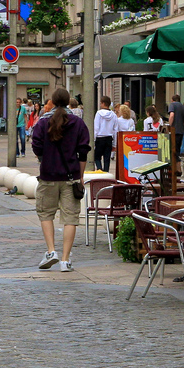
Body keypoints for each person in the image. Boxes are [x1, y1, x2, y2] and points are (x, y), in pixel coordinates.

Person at [31, 87, 91, 273]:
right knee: (70, 218)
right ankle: (65, 260)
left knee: (46, 214)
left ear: (52, 102)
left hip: (48, 175)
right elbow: (83, 151)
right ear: (68, 101)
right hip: (71, 177)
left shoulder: (42, 123)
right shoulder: (78, 123)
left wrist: (45, 158)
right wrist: (80, 176)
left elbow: (36, 147)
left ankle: (51, 252)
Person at [93, 96, 118, 172]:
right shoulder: (113, 115)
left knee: (97, 157)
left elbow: (96, 128)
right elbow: (115, 130)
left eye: (101, 103)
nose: (100, 104)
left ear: (103, 103)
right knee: (107, 158)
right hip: (109, 138)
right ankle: (106, 171)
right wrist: (114, 144)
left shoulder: (99, 113)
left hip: (100, 137)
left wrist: (94, 139)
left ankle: (99, 170)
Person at [167, 94, 184, 161]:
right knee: (177, 150)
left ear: (172, 100)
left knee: (172, 150)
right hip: (181, 131)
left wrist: (169, 126)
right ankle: (178, 167)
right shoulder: (183, 108)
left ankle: (173, 167)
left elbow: (172, 115)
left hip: (174, 131)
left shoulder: (172, 105)